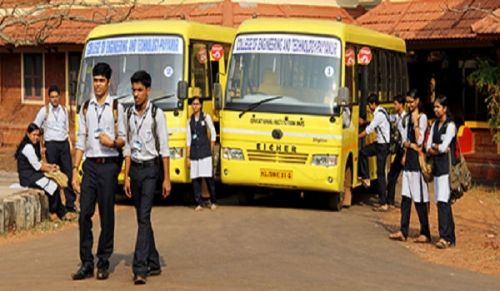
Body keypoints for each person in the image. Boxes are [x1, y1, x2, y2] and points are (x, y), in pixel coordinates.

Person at [71, 62, 126, 280]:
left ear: (108, 82)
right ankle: (86, 262)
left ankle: (103, 260)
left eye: (102, 81)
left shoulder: (116, 108)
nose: (98, 85)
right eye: (95, 80)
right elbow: (80, 141)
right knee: (84, 214)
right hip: (90, 166)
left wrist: (111, 142)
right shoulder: (86, 107)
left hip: (109, 164)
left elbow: (124, 139)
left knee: (106, 214)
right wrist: (75, 170)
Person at [123, 70, 171, 285]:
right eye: (134, 90)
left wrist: (166, 178)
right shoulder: (128, 115)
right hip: (135, 170)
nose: (136, 94)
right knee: (142, 219)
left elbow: (165, 149)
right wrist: (126, 176)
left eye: (140, 90)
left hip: (152, 170)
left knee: (144, 216)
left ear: (148, 91)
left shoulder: (156, 114)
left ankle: (140, 267)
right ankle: (153, 260)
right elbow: (127, 146)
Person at [389, 90, 431, 243]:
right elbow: (406, 140)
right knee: (406, 197)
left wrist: (415, 124)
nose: (410, 104)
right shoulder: (406, 117)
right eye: (408, 101)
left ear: (418, 101)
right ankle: (403, 230)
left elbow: (420, 142)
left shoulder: (422, 118)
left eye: (412, 101)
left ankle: (425, 232)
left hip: (417, 163)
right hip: (408, 162)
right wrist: (407, 150)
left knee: (419, 198)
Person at [15, 123, 74, 221]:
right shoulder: (28, 147)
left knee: (55, 185)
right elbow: (37, 166)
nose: (36, 137)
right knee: (52, 187)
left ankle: (62, 212)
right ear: (28, 134)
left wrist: (50, 166)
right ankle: (53, 212)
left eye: (38, 135)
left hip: (34, 175)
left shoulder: (34, 145)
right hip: (28, 177)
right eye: (34, 135)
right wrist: (51, 169)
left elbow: (39, 162)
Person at [33, 85, 77, 213]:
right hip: (51, 145)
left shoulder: (64, 110)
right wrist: (40, 147)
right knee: (54, 174)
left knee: (67, 173)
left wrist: (69, 144)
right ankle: (56, 206)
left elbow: (67, 129)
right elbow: (35, 127)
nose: (54, 99)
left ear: (59, 97)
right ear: (49, 98)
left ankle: (70, 203)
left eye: (56, 96)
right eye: (52, 97)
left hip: (63, 144)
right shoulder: (44, 111)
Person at [426, 95, 457, 249]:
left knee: (443, 201)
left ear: (445, 108)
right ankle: (450, 236)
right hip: (437, 168)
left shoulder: (450, 126)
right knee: (440, 201)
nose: (436, 110)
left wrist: (435, 147)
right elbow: (427, 146)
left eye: (438, 107)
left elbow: (445, 147)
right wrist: (436, 148)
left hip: (446, 169)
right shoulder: (434, 125)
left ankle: (445, 236)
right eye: (435, 107)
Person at [358, 94, 390, 212]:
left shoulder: (379, 114)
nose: (368, 108)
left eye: (368, 105)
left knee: (380, 174)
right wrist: (365, 122)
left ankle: (383, 202)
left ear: (373, 104)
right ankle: (365, 177)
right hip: (379, 144)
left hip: (382, 146)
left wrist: (357, 137)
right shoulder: (381, 112)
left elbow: (369, 130)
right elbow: (372, 124)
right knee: (363, 152)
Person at [186, 97, 217, 211]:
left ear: (201, 105)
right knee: (195, 179)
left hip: (205, 151)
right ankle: (198, 202)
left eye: (197, 104)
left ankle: (213, 200)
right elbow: (188, 139)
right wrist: (188, 157)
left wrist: (211, 147)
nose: (195, 106)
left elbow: (213, 132)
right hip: (195, 152)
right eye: (193, 104)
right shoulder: (189, 121)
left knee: (208, 178)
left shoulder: (206, 117)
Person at [386, 95, 407, 208]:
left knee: (395, 175)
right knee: (392, 175)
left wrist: (405, 153)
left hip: (404, 150)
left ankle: (391, 201)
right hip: (400, 150)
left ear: (401, 105)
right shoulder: (397, 117)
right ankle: (390, 200)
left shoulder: (405, 119)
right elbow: (388, 118)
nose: (394, 106)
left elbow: (405, 137)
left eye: (395, 104)